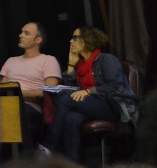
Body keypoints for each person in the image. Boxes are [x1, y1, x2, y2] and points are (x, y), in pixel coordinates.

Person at [41, 27, 136, 163]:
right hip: (90, 105)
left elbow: (115, 87)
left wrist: (88, 91)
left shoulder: (106, 59)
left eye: (75, 38)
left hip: (112, 106)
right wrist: (70, 66)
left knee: (65, 98)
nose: (70, 41)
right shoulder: (80, 64)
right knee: (70, 118)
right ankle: (73, 164)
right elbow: (71, 89)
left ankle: (48, 145)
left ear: (88, 40)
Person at [0, 22, 62, 149]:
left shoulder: (48, 60)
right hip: (7, 104)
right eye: (21, 32)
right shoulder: (11, 61)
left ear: (38, 40)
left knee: (14, 114)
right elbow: (2, 88)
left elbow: (50, 92)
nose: (20, 35)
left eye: (26, 33)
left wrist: (18, 93)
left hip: (30, 108)